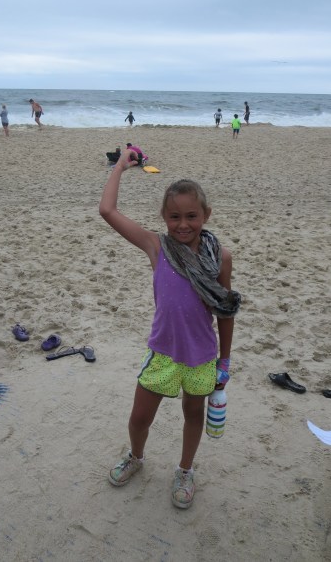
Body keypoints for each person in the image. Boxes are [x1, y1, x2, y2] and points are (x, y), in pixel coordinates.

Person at [99, 154, 240, 509]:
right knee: (139, 418)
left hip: (202, 357)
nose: (183, 224)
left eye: (192, 216)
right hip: (163, 354)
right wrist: (120, 166)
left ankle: (185, 470)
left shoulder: (221, 258)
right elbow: (107, 211)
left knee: (193, 415)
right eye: (174, 216)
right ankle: (136, 456)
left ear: (206, 215)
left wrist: (224, 361)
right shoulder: (156, 247)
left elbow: (226, 312)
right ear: (163, 217)